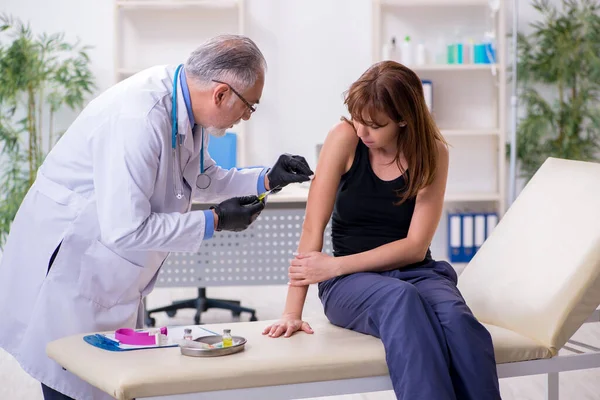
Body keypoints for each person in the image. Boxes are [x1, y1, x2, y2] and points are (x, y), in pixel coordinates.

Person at [0, 35, 313, 400]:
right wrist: (215, 222)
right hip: (72, 267)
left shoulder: (185, 110)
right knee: (72, 385)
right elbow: (127, 229)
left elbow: (200, 178)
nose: (246, 116)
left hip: (107, 272)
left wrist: (267, 178)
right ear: (222, 94)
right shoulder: (139, 118)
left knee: (109, 382)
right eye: (249, 106)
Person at [263, 61, 501, 400]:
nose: (362, 131)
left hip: (413, 271)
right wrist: (291, 312)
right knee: (400, 300)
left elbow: (416, 247)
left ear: (404, 119)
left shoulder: (432, 153)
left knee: (458, 320)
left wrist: (335, 265)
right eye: (358, 118)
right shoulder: (344, 138)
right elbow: (312, 228)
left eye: (375, 125)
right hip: (349, 284)